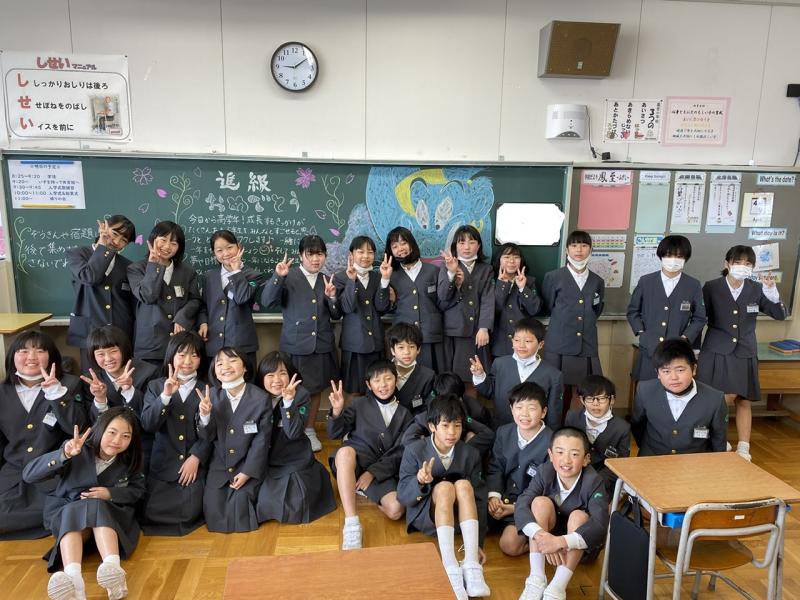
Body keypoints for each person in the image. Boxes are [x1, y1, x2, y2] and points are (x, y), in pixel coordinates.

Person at [23, 407, 145, 600]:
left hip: (109, 517)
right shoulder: (76, 448)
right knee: (75, 510)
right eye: (112, 432)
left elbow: (137, 491)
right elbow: (29, 475)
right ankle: (77, 580)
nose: (117, 441)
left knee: (95, 505)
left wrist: (110, 493)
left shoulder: (131, 459)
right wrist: (64, 455)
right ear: (100, 429)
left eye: (125, 436)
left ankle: (98, 578)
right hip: (68, 515)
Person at [697, 245, 787, 461]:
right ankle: (716, 439)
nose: (742, 267)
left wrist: (772, 293)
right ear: (727, 264)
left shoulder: (757, 288)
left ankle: (744, 447)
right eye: (738, 262)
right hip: (716, 350)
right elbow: (699, 319)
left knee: (743, 399)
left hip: (745, 350)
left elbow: (780, 315)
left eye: (748, 264)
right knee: (717, 398)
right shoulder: (711, 287)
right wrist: (695, 350)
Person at [397, 394, 490, 600]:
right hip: (428, 517)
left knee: (464, 486)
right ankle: (450, 567)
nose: (452, 432)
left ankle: (471, 565)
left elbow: (480, 498)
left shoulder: (470, 453)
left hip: (459, 522)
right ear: (432, 426)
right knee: (445, 488)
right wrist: (420, 482)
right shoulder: (414, 450)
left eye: (457, 426)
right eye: (445, 425)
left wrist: (478, 544)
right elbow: (403, 496)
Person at [0, 331, 86, 540]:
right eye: (23, 351)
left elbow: (77, 427)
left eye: (40, 351)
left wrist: (57, 394)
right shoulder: (3, 391)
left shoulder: (70, 384)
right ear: (12, 357)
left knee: (63, 514)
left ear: (51, 356)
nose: (31, 357)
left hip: (52, 474)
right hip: (14, 475)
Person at [261, 235, 341, 452]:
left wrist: (332, 298)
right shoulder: (288, 276)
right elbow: (267, 301)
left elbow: (336, 315)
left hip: (321, 344)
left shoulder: (328, 279)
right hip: (295, 345)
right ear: (300, 256)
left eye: (320, 254)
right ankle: (285, 429)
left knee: (315, 390)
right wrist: (278, 277)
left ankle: (309, 429)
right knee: (290, 388)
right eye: (310, 254)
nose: (315, 259)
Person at [515, 427, 609, 600]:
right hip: (547, 542)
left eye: (574, 454)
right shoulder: (545, 471)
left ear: (586, 459)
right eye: (560, 452)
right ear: (551, 455)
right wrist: (543, 537)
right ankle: (536, 578)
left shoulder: (593, 480)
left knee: (579, 516)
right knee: (539, 502)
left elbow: (600, 524)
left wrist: (560, 542)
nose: (566, 460)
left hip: (580, 547)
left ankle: (557, 587)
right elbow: (522, 503)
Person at [327, 360, 413, 550]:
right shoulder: (358, 403)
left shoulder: (405, 414)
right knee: (344, 453)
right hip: (354, 460)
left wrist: (372, 473)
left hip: (382, 469)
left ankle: (359, 488)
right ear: (368, 384)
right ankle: (351, 523)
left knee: (396, 510)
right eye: (376, 380)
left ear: (396, 380)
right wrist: (337, 411)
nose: (383, 385)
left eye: (388, 379)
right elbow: (334, 434)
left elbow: (401, 451)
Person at [140, 331, 209, 535]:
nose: (187, 361)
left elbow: (215, 433)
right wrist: (165, 396)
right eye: (182, 354)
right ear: (171, 355)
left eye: (194, 355)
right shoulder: (155, 386)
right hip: (163, 465)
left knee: (190, 513)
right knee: (153, 514)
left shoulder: (209, 388)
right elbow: (148, 424)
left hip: (193, 466)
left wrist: (196, 456)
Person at [255, 351, 336, 524]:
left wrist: (288, 403)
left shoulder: (301, 394)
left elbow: (293, 433)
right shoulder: (255, 395)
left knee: (296, 500)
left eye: (282, 373)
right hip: (263, 456)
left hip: (292, 456)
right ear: (261, 378)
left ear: (291, 375)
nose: (277, 380)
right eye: (270, 375)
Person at [197, 347, 271, 533]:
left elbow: (261, 441)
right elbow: (206, 437)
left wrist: (247, 471)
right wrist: (205, 416)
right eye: (219, 363)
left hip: (247, 465)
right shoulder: (210, 396)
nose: (226, 366)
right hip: (220, 466)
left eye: (232, 360)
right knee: (214, 514)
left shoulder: (260, 398)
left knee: (242, 511)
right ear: (214, 371)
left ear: (245, 367)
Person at [627, 235, 706, 381]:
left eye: (679, 256)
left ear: (686, 258)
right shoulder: (646, 281)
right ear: (661, 256)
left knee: (674, 387)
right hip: (649, 348)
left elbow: (700, 318)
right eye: (669, 255)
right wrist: (642, 333)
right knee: (647, 389)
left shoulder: (693, 285)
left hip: (678, 350)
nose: (673, 260)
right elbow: (633, 311)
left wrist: (685, 338)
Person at [487, 382, 553, 558]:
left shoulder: (552, 441)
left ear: (544, 412)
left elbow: (547, 488)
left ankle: (539, 544)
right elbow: (495, 467)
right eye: (519, 407)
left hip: (530, 506)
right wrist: (494, 497)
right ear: (511, 409)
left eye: (531, 408)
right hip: (503, 499)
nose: (524, 414)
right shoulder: (504, 432)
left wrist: (515, 508)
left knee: (509, 545)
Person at [541, 230, 604, 413]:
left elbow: (597, 309)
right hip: (559, 342)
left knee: (582, 390)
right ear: (567, 250)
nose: (579, 250)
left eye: (584, 245)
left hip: (586, 343)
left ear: (590, 250)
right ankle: (555, 425)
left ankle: (574, 425)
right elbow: (548, 305)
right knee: (556, 389)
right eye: (574, 245)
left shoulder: (597, 281)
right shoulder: (553, 277)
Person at [632, 338, 728, 456]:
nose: (674, 377)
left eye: (680, 370)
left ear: (694, 369)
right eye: (666, 371)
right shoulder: (645, 390)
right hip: (652, 457)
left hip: (694, 461)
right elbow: (637, 426)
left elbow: (718, 440)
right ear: (658, 373)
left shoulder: (715, 399)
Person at [66, 216, 137, 371]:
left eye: (124, 240)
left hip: (120, 331)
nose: (117, 241)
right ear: (103, 227)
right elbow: (90, 277)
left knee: (122, 378)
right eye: (114, 234)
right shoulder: (77, 254)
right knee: (93, 377)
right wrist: (103, 246)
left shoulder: (128, 265)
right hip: (90, 330)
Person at [127, 221, 201, 365]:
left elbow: (195, 300)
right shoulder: (136, 269)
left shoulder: (188, 272)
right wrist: (154, 265)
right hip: (150, 345)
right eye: (163, 240)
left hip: (180, 346)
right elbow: (147, 296)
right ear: (153, 240)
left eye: (173, 243)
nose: (167, 246)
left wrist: (182, 317)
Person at [471, 317, 563, 429]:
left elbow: (554, 415)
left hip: (534, 432)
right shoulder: (500, 364)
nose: (521, 345)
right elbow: (489, 392)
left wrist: (551, 435)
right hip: (501, 428)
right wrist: (479, 375)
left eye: (528, 341)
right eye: (517, 340)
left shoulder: (553, 375)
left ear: (540, 344)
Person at [197, 230, 264, 378]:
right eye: (219, 250)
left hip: (241, 344)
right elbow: (203, 305)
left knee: (245, 386)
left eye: (229, 247)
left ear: (238, 247)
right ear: (214, 253)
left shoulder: (253, 275)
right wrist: (203, 322)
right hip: (214, 343)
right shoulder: (209, 276)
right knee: (215, 386)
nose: (226, 253)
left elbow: (241, 298)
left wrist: (236, 272)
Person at [332, 236, 392, 401]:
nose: (366, 256)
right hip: (354, 344)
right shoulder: (340, 278)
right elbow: (347, 307)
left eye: (370, 252)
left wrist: (385, 280)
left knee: (378, 388)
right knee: (354, 390)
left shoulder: (378, 277)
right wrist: (352, 281)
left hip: (376, 342)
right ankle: (353, 419)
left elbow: (382, 308)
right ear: (351, 255)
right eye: (361, 252)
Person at [438, 225, 494, 390]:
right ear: (455, 246)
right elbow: (442, 296)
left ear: (479, 245)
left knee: (472, 378)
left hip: (476, 332)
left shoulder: (486, 269)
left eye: (472, 242)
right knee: (451, 379)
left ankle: (470, 407)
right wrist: (451, 274)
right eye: (462, 243)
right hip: (453, 331)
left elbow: (488, 300)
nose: (467, 247)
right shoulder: (446, 267)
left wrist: (484, 327)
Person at [384, 226, 446, 372]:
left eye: (403, 243)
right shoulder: (390, 275)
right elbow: (382, 307)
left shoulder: (434, 271)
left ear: (411, 244)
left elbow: (443, 302)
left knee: (432, 376)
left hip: (430, 335)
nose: (400, 249)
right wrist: (384, 280)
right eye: (395, 246)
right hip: (403, 340)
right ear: (390, 251)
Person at [401, 374, 495, 459]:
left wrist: (458, 453)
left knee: (471, 435)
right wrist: (433, 452)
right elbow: (407, 440)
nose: (449, 405)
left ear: (460, 398)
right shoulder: (428, 413)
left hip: (459, 458)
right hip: (433, 459)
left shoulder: (476, 410)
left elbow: (488, 435)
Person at [564, 375, 630, 496]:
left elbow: (620, 464)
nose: (595, 403)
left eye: (601, 398)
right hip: (573, 473)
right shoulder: (572, 417)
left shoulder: (622, 428)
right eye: (590, 398)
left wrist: (595, 482)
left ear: (612, 400)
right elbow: (565, 448)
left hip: (603, 480)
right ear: (582, 400)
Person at [81, 325, 159, 423]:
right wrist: (100, 399)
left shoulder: (149, 373)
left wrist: (130, 390)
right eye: (101, 354)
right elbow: (94, 424)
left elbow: (151, 417)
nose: (108, 359)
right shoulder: (92, 381)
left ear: (124, 349)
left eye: (113, 351)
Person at [492, 242, 542, 358]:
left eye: (516, 257)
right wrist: (502, 285)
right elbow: (492, 310)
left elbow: (534, 310)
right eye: (506, 257)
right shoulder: (491, 281)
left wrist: (523, 288)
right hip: (498, 344)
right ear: (499, 260)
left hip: (523, 345)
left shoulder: (530, 281)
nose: (511, 261)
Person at [386, 322, 435, 415]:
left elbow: (426, 409)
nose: (407, 352)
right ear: (392, 350)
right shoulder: (379, 372)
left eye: (412, 347)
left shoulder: (428, 376)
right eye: (401, 347)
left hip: (413, 422)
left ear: (418, 349)